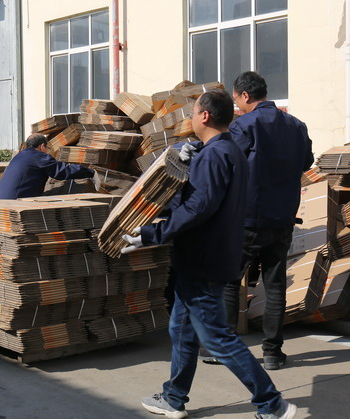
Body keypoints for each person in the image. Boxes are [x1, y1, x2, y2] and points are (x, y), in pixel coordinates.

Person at [125, 90, 296, 419]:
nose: (190, 118)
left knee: (216, 338)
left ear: (204, 116)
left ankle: (272, 403)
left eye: (193, 113)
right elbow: (203, 199)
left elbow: (198, 207)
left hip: (204, 260)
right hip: (207, 256)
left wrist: (152, 234)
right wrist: (189, 160)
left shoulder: (215, 156)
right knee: (181, 329)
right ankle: (174, 397)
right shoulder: (226, 150)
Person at [220, 71, 314, 370]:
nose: (236, 105)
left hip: (248, 218)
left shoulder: (244, 125)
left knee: (230, 281)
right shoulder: (296, 125)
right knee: (275, 287)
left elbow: (227, 162)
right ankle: (273, 352)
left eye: (236, 99)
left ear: (246, 95)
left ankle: (227, 351)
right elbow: (307, 162)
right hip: (283, 217)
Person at [0, 133, 96, 199]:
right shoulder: (38, 156)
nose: (48, 152)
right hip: (14, 203)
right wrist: (89, 172)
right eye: (47, 148)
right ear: (42, 146)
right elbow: (61, 171)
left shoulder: (19, 156)